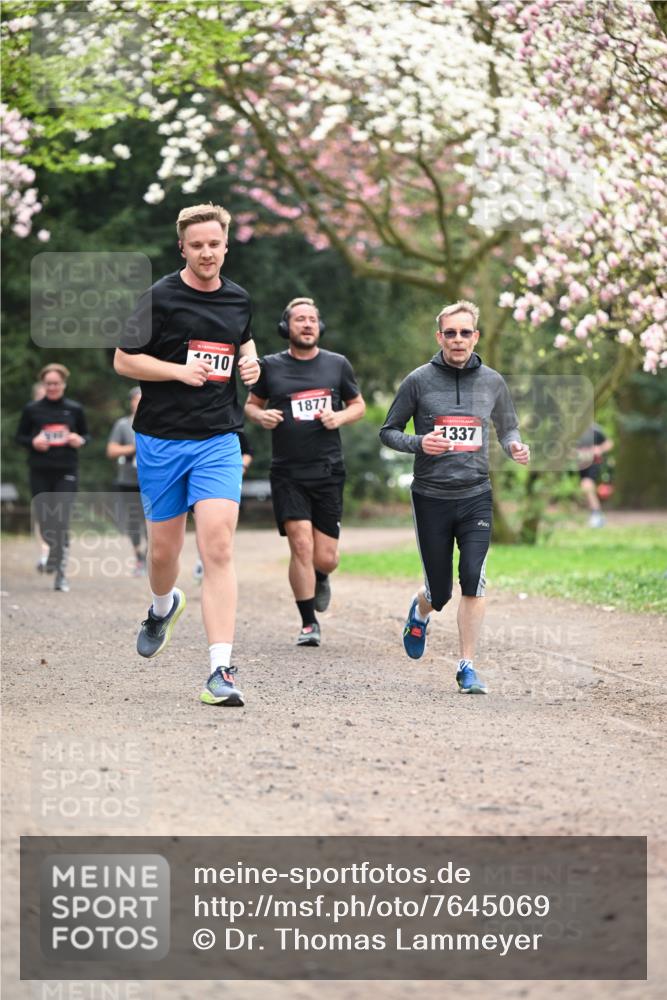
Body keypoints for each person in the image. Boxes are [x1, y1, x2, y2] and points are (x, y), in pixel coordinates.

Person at [113, 202, 261, 707]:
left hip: (219, 438)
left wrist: (251, 361)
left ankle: (220, 670)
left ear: (225, 245)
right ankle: (162, 605)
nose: (206, 253)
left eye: (214, 244)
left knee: (217, 548)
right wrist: (178, 372)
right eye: (196, 245)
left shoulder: (239, 299)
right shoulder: (159, 297)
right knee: (163, 556)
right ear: (183, 247)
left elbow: (242, 339)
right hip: (161, 440)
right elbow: (123, 358)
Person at [379, 300, 530, 694]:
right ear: (440, 337)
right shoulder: (418, 381)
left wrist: (515, 446)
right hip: (431, 496)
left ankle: (466, 666)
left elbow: (508, 427)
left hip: (477, 494)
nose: (458, 339)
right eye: (451, 333)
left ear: (475, 336)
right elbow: (389, 431)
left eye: (465, 332)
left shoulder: (493, 382)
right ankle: (421, 611)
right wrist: (419, 442)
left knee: (473, 579)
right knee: (441, 592)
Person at [245, 297, 365, 646]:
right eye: (300, 319)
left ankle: (320, 576)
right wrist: (261, 416)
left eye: (313, 318)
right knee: (300, 544)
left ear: (320, 326)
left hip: (328, 470)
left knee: (326, 557)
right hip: (287, 471)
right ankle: (308, 623)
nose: (307, 324)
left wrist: (339, 416)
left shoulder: (337, 365)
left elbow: (358, 405)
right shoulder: (270, 367)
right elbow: (252, 405)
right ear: (287, 327)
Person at [16, 363, 89, 592]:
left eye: (56, 383)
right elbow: (19, 437)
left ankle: (60, 572)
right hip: (39, 470)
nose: (53, 387)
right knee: (46, 522)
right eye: (49, 383)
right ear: (43, 385)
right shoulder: (32, 409)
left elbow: (86, 434)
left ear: (64, 384)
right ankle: (54, 552)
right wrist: (33, 442)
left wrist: (80, 439)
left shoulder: (74, 409)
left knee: (62, 516)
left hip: (66, 469)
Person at [192, 429, 254, 582]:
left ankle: (218, 559)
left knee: (222, 529)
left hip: (225, 480)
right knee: (203, 523)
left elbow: (248, 453)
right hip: (200, 478)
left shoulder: (232, 427)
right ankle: (203, 559)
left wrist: (241, 468)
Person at [106, 386, 147, 575]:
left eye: (143, 398)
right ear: (130, 402)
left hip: (152, 480)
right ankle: (139, 557)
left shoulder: (158, 424)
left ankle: (149, 557)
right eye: (136, 399)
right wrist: (133, 448)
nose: (139, 403)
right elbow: (112, 451)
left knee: (152, 520)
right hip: (128, 480)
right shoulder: (122, 425)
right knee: (133, 520)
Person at [575, 423, 613, 528]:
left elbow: (609, 443)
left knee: (586, 484)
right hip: (579, 464)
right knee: (584, 489)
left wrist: (599, 449)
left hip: (593, 463)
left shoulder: (595, 429)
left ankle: (597, 514)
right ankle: (594, 515)